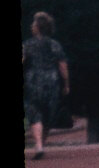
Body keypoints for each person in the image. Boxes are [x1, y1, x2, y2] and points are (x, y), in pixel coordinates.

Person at [23, 11, 71, 160]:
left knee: (34, 112)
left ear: (38, 27)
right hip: (52, 81)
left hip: (33, 81)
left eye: (33, 24)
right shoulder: (54, 44)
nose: (31, 26)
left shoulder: (28, 44)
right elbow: (63, 66)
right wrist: (66, 84)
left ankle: (38, 145)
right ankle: (42, 143)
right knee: (48, 113)